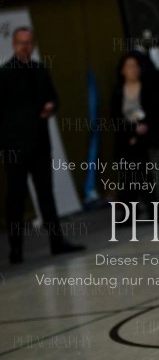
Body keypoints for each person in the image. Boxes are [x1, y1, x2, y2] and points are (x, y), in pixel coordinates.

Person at [0, 27, 85, 264]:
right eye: (20, 42)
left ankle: (57, 242)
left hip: (39, 143)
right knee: (16, 198)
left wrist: (51, 107)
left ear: (34, 44)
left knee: (46, 194)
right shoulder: (4, 74)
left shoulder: (40, 69)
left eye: (28, 42)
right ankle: (15, 248)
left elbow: (54, 98)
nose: (24, 47)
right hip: (15, 147)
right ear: (14, 45)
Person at [110, 53, 157, 219]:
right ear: (122, 70)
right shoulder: (118, 92)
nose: (133, 70)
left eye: (135, 66)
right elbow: (115, 117)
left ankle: (154, 208)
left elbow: (155, 111)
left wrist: (144, 127)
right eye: (129, 66)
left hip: (146, 138)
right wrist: (131, 131)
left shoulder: (148, 88)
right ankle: (129, 212)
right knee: (127, 175)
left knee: (146, 173)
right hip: (126, 140)